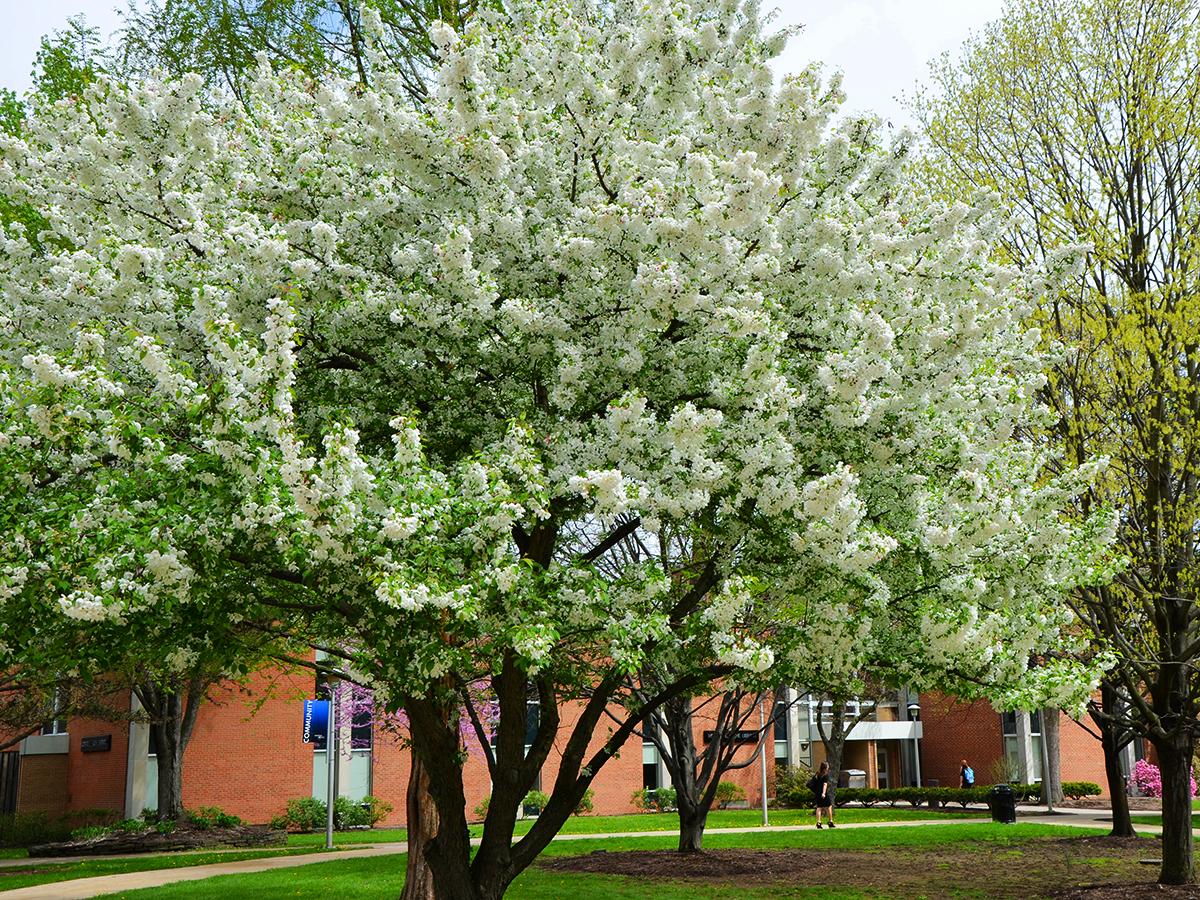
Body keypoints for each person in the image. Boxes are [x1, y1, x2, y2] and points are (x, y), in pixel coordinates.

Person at [809, 761, 836, 828]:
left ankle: (818, 822)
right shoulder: (825, 775)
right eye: (827, 766)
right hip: (823, 793)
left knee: (819, 807)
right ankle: (830, 821)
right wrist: (823, 793)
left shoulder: (817, 774)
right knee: (829, 806)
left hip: (817, 793)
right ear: (825, 767)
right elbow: (825, 784)